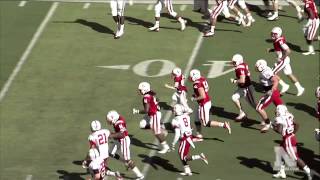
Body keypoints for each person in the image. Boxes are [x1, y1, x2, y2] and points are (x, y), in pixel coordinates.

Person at [271, 105, 312, 180]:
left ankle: (308, 172)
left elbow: (279, 131)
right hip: (291, 137)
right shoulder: (290, 115)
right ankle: (282, 172)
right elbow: (297, 124)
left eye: (277, 110)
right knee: (280, 151)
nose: (276, 111)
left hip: (288, 139)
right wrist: (293, 133)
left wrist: (272, 126)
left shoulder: (279, 118)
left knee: (294, 157)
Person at [189, 69, 231, 137]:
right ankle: (199, 135)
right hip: (206, 102)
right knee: (196, 118)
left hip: (203, 104)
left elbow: (203, 96)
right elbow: (207, 89)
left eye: (191, 76)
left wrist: (194, 98)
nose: (190, 78)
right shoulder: (202, 79)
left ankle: (223, 125)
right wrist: (197, 94)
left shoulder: (197, 84)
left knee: (205, 123)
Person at [171, 104, 208, 176]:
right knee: (183, 155)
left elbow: (177, 134)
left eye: (174, 109)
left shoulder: (175, 120)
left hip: (185, 139)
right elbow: (190, 112)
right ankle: (187, 171)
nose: (173, 110)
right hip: (189, 137)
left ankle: (200, 156)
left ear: (177, 110)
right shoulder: (186, 115)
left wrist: (173, 143)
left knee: (183, 156)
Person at [133, 82, 170, 154]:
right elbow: (157, 100)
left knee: (157, 133)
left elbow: (146, 110)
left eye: (140, 90)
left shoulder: (146, 97)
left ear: (144, 89)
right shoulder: (150, 93)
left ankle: (166, 147)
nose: (139, 91)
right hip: (153, 113)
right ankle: (160, 127)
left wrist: (137, 111)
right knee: (142, 125)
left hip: (154, 114)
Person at [106, 110, 145, 180]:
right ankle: (125, 162)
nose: (108, 121)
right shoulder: (118, 119)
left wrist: (111, 135)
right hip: (119, 140)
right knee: (110, 153)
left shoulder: (119, 123)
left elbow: (122, 134)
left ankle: (140, 175)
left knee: (128, 160)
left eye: (109, 120)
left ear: (114, 118)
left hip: (124, 140)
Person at [268, 26, 305, 96]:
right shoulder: (278, 40)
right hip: (285, 60)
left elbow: (288, 50)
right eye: (272, 33)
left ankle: (284, 85)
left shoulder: (280, 41)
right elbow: (280, 49)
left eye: (275, 34)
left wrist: (282, 58)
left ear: (278, 34)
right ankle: (300, 88)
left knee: (272, 73)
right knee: (289, 74)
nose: (273, 35)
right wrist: (271, 50)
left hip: (283, 60)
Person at [255, 59, 283, 133]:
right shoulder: (266, 69)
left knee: (259, 108)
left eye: (257, 66)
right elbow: (277, 78)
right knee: (281, 108)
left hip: (272, 92)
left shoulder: (265, 72)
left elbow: (276, 80)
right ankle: (289, 121)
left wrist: (271, 90)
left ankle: (268, 124)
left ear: (261, 67)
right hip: (275, 92)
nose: (256, 67)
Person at [230, 54, 256, 120]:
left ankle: (267, 121)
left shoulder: (239, 68)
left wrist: (234, 81)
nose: (233, 63)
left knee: (255, 106)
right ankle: (242, 113)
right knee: (234, 97)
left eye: (234, 62)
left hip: (247, 88)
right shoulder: (243, 64)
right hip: (243, 87)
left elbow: (242, 81)